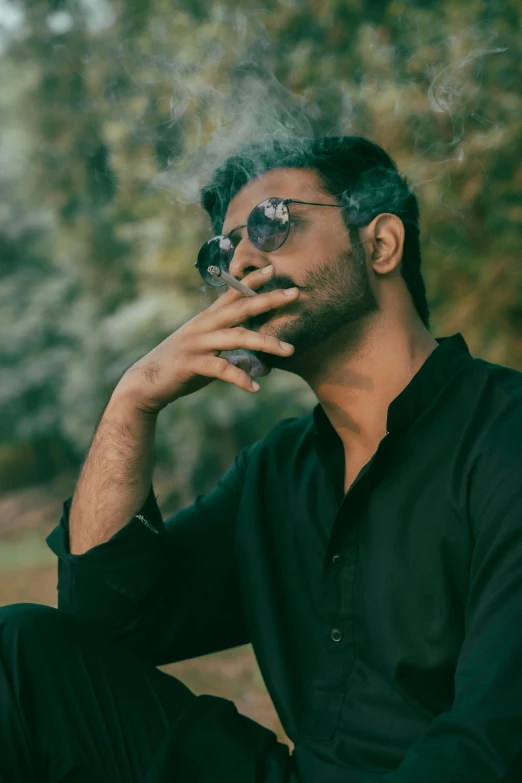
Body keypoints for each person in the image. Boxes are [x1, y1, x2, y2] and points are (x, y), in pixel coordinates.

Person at [1, 135, 522, 783]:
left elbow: (492, 743)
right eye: (221, 250)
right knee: (16, 654)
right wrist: (131, 403)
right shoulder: (276, 472)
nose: (240, 263)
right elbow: (105, 625)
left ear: (380, 244)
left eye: (273, 224)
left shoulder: (505, 438)